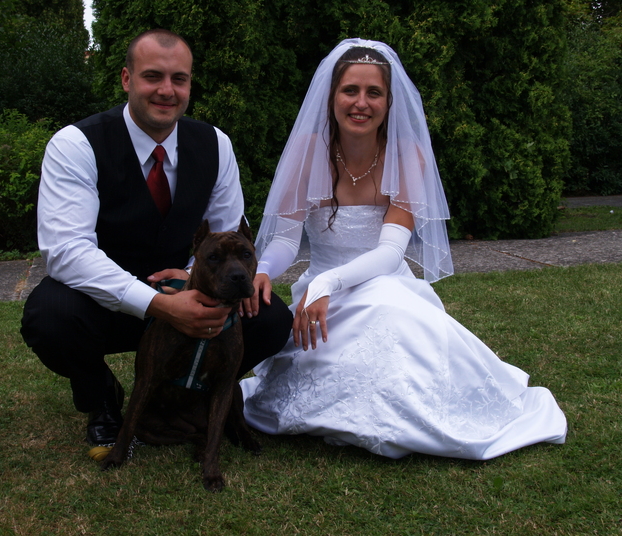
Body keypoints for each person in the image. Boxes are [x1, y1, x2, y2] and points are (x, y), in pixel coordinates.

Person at [239, 38, 567, 460]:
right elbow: (286, 238)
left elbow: (392, 252)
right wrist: (264, 269)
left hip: (383, 283)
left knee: (388, 311)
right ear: (332, 96)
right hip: (321, 295)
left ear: (389, 101)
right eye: (350, 90)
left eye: (373, 92)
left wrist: (327, 283)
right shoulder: (308, 149)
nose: (361, 103)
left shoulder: (407, 154)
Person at [20, 29, 292, 447]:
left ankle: (189, 394)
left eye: (179, 79)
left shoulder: (215, 145)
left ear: (189, 84)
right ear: (126, 78)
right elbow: (66, 251)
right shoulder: (76, 144)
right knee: (49, 316)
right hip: (106, 304)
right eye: (153, 76)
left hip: (188, 294)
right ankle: (102, 397)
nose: (167, 90)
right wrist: (158, 304)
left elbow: (226, 234)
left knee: (271, 319)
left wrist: (192, 277)